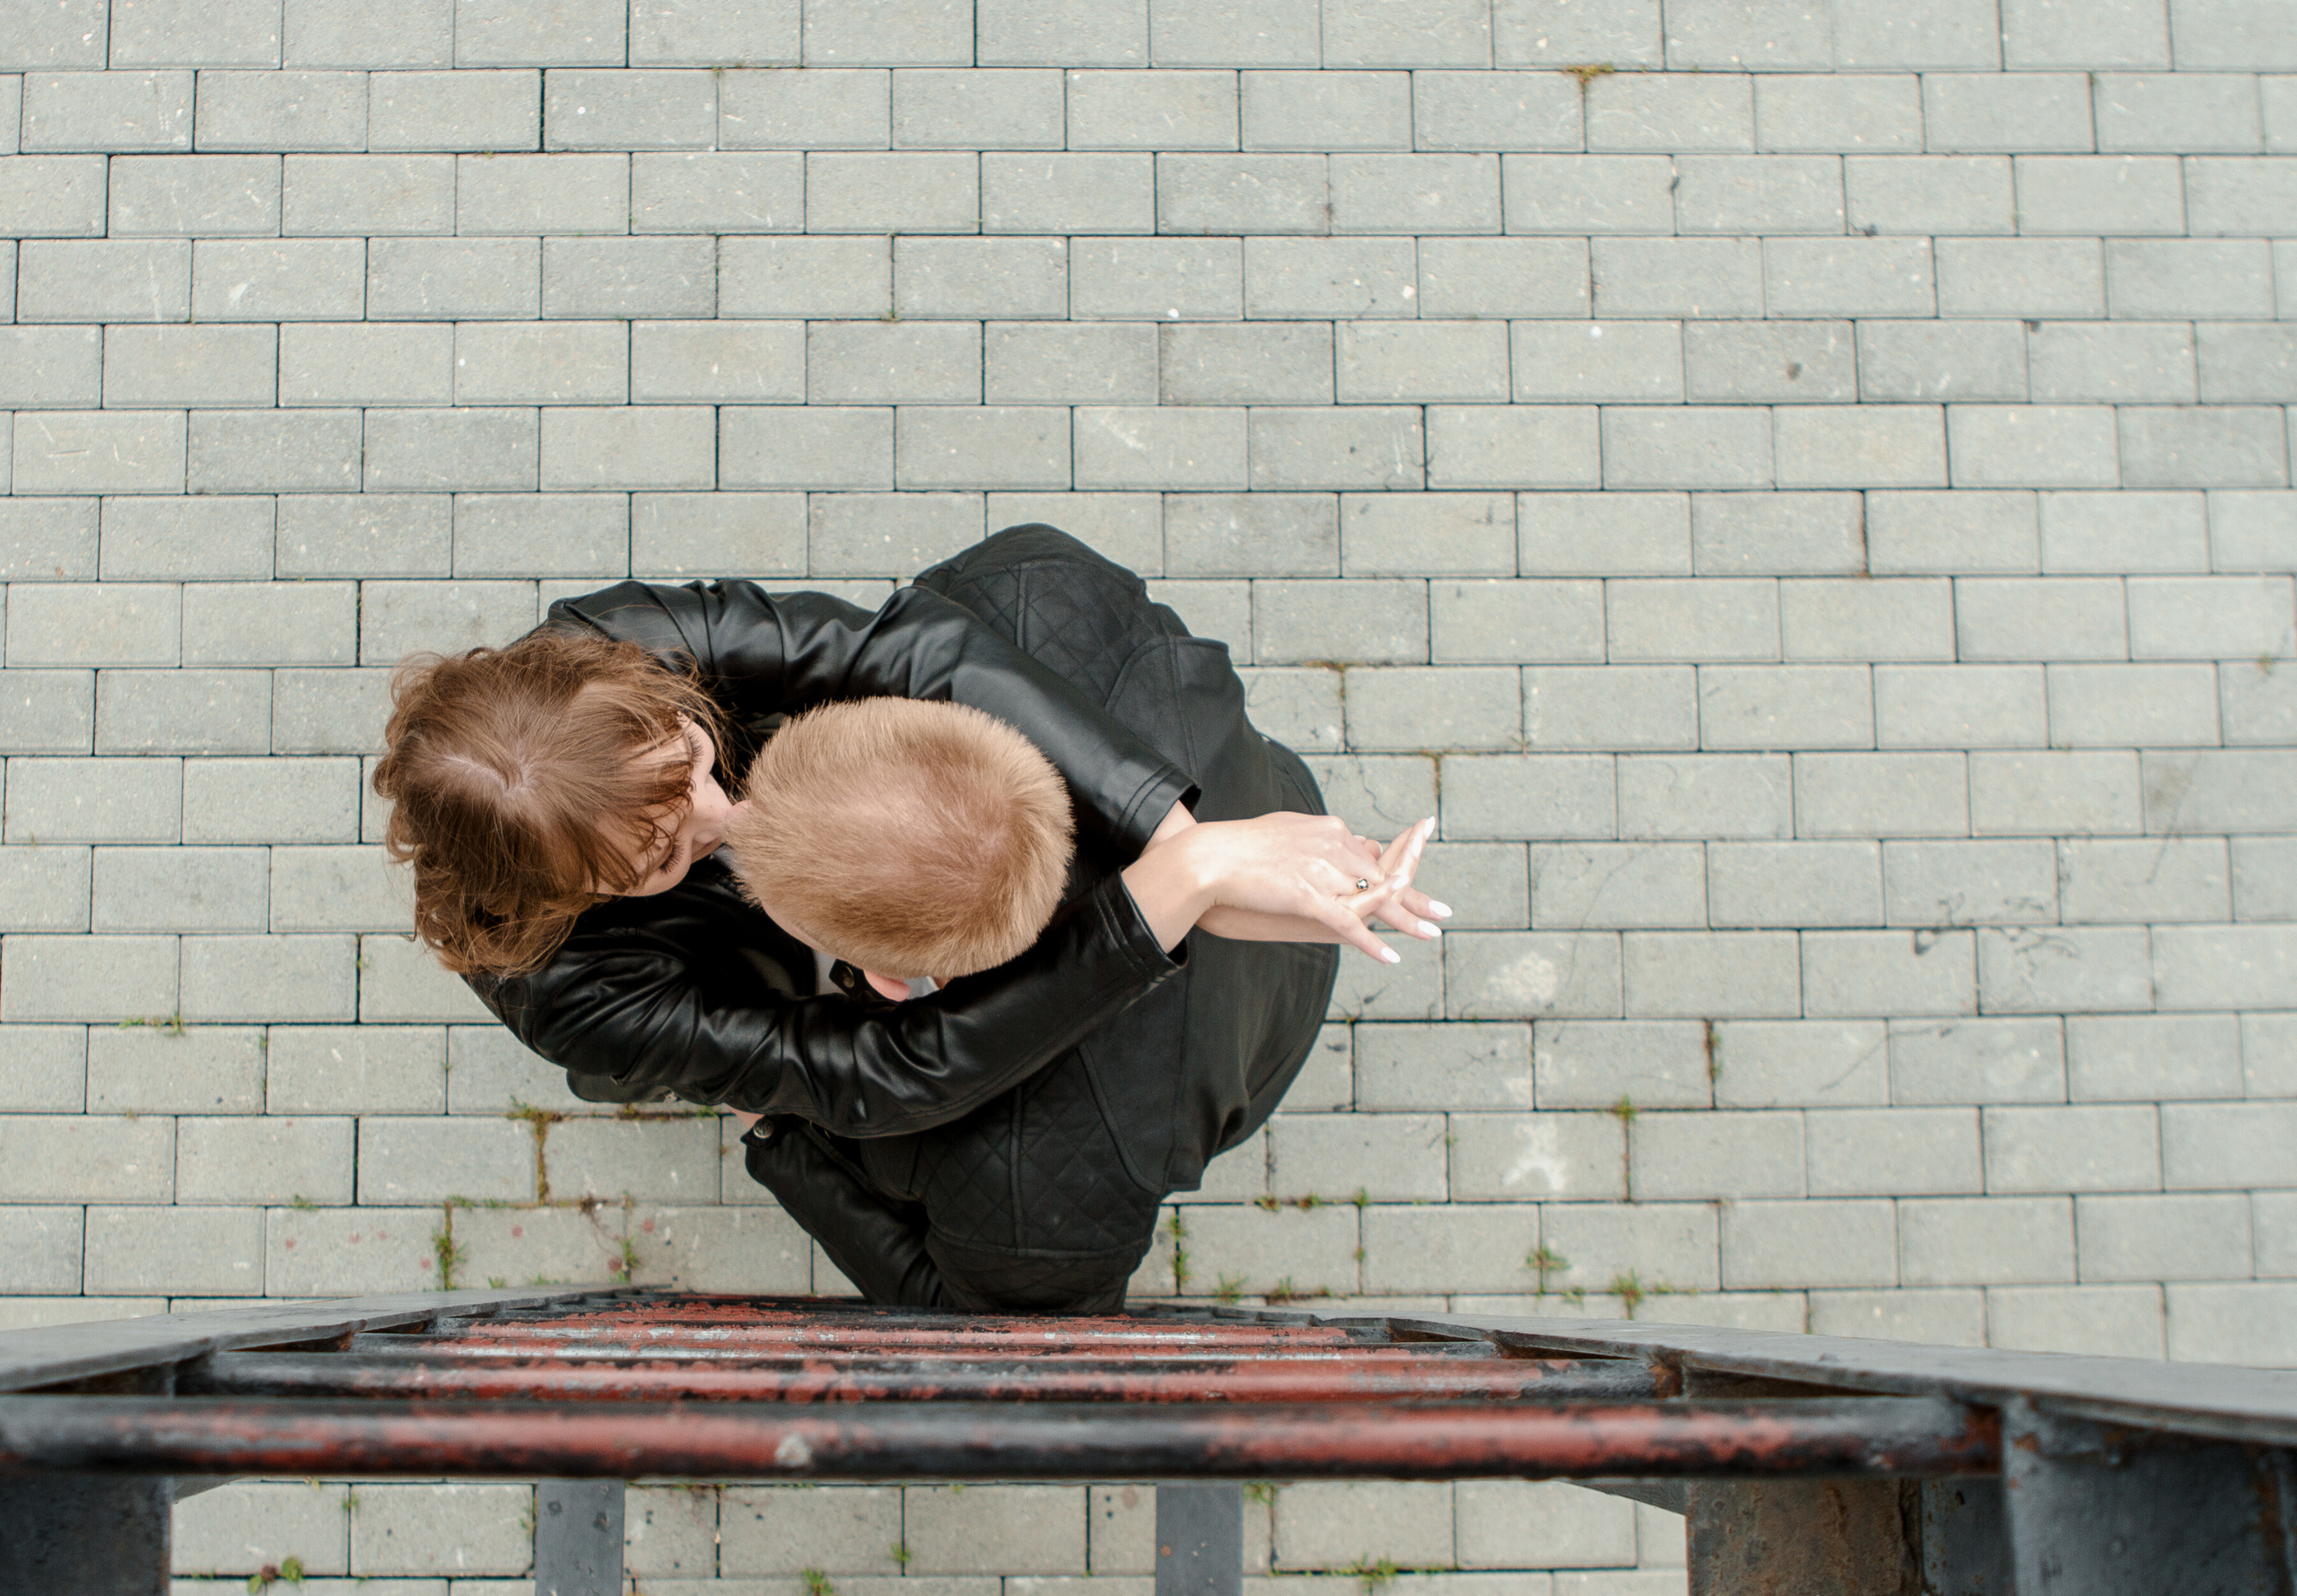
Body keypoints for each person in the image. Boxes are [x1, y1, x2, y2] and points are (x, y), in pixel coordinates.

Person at [373, 528, 1444, 1154]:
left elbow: (909, 651)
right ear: (568, 898)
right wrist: (1187, 880)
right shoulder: (581, 1000)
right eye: (662, 857)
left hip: (850, 837)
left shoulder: (625, 640)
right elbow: (883, 1074)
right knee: (769, 1092)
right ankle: (753, 1120)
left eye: (698, 766)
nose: (728, 817)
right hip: (732, 1004)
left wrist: (1181, 838)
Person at [716, 527, 1433, 1310]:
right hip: (1271, 813)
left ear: (890, 981)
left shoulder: (1034, 1201)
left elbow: (971, 1318)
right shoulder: (1029, 593)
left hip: (1250, 1031)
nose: (730, 818)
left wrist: (770, 1119)